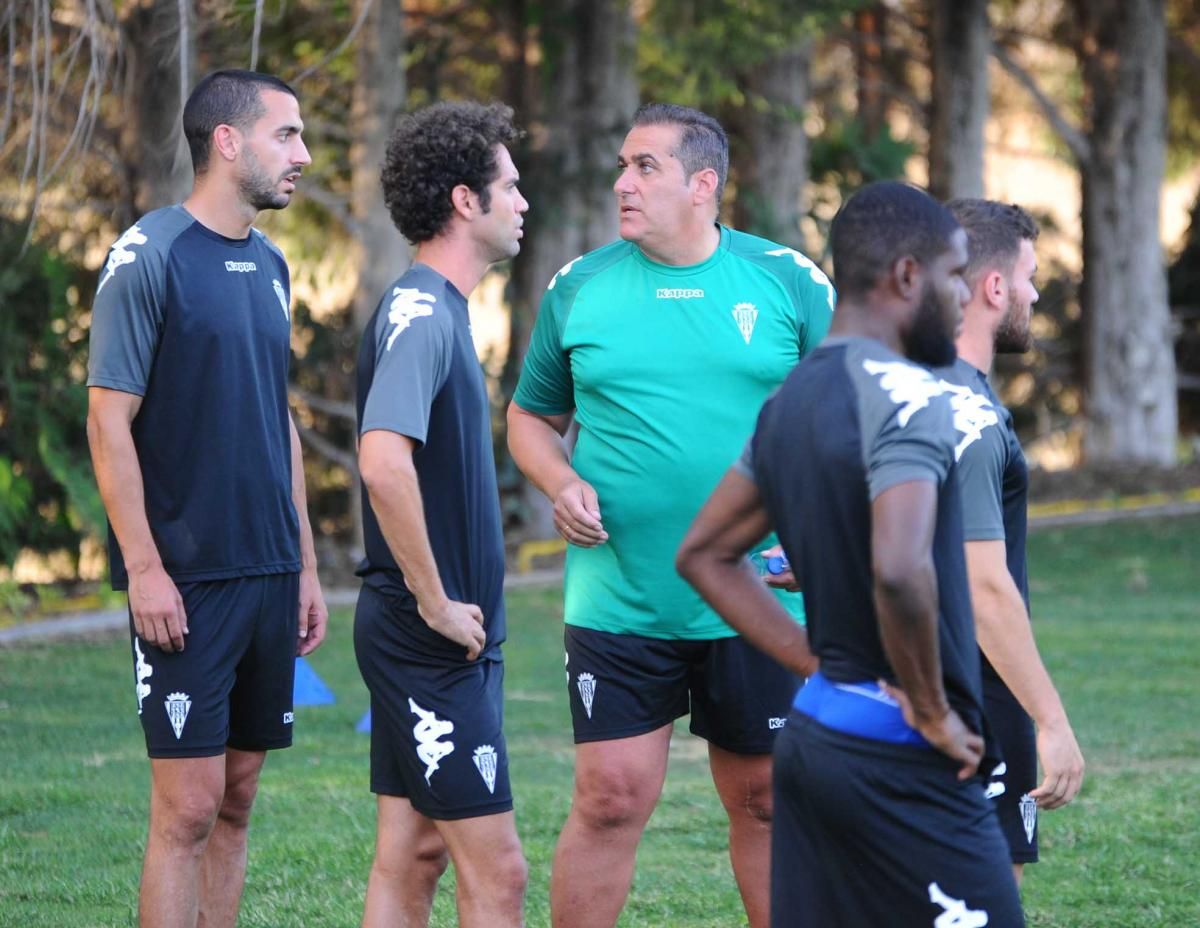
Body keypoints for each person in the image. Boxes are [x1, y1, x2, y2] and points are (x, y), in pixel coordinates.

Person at [508, 102, 835, 928]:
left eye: (643, 167)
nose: (622, 182)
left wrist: (824, 533)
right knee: (611, 797)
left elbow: (847, 420)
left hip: (758, 597)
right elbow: (529, 418)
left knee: (764, 797)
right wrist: (557, 481)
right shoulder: (578, 286)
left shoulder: (789, 281)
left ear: (703, 185)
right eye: (622, 164)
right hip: (621, 595)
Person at [677, 181, 1025, 927]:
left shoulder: (790, 399)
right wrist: (931, 711)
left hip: (818, 736)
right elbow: (901, 569)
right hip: (905, 754)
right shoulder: (911, 395)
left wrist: (816, 663)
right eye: (952, 274)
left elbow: (704, 555)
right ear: (906, 276)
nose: (962, 297)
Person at [87, 69, 327, 928]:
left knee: (237, 798)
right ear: (228, 142)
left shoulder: (271, 262)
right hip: (187, 578)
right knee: (186, 807)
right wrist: (144, 570)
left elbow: (279, 421)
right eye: (286, 135)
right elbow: (108, 424)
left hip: (267, 570)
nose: (302, 154)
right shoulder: (148, 255)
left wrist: (304, 565)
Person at [353, 101, 529, 928]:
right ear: (467, 201)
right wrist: (432, 599)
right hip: (428, 642)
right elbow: (383, 462)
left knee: (413, 853)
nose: (523, 201)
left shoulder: (442, 309)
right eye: (511, 186)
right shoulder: (423, 312)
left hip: (434, 636)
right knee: (498, 876)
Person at [938, 198, 1085, 882]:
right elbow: (984, 586)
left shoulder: (892, 388)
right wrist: (1050, 720)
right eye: (1027, 277)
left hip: (886, 693)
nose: (1032, 293)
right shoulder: (967, 413)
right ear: (993, 288)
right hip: (969, 695)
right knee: (982, 898)